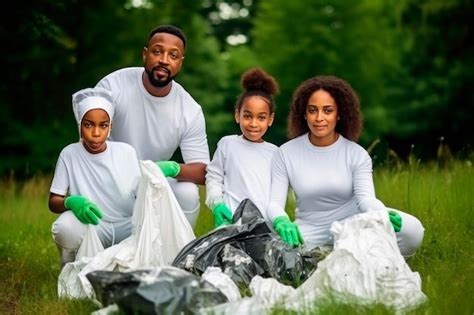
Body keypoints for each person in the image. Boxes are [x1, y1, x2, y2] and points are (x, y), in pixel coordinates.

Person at [267, 75, 425, 257]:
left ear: (339, 114)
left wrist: (380, 213)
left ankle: (349, 252)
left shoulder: (356, 154)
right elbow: (274, 203)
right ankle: (347, 255)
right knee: (273, 251)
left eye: (327, 111)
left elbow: (366, 199)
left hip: (353, 226)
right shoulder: (285, 153)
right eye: (312, 110)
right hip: (309, 231)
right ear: (304, 113)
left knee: (412, 230)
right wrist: (281, 221)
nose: (319, 118)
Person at [95, 25, 209, 228]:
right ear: (145, 54)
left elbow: (202, 171)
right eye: (157, 52)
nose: (164, 60)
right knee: (67, 230)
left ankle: (176, 256)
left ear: (180, 63)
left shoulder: (189, 110)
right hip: (106, 183)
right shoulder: (113, 86)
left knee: (187, 192)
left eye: (173, 55)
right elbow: (88, 136)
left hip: (152, 185)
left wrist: (171, 168)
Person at [49, 87, 141, 267]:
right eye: (88, 125)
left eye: (103, 125)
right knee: (65, 227)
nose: (96, 133)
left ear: (111, 126)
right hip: (93, 226)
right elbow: (53, 201)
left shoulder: (126, 152)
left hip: (127, 226)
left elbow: (140, 191)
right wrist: (70, 202)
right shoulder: (69, 154)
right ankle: (71, 264)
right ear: (80, 125)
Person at [205, 68, 279, 227]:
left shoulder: (275, 153)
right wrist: (216, 203)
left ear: (270, 119)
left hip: (264, 227)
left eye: (261, 117)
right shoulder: (228, 144)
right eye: (247, 116)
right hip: (231, 223)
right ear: (237, 115)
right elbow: (214, 177)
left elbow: (278, 195)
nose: (253, 124)